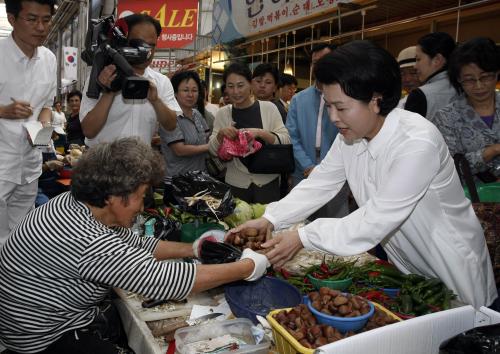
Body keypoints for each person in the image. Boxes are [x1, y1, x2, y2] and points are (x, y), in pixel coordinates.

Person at [231, 40, 497, 309]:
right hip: (408, 259)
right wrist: (271, 218)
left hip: (450, 258)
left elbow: (375, 219)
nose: (334, 117)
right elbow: (322, 182)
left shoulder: (417, 142)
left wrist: (303, 237)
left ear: (375, 100)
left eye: (341, 107)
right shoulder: (351, 135)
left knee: (465, 323)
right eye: (329, 106)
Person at [0, 137, 269, 353]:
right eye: (140, 197)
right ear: (114, 197)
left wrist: (193, 249)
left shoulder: (72, 203)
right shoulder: (89, 240)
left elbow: (136, 243)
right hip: (41, 338)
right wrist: (247, 266)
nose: (142, 207)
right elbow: (166, 281)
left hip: (39, 319)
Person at [0, 0, 57, 245]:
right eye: (32, 19)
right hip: (2, 158)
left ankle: (14, 278)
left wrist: (44, 128)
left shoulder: (49, 59)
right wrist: (3, 110)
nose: (41, 27)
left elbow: (46, 105)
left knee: (19, 232)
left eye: (46, 19)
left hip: (30, 161)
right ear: (12, 19)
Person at [80, 13, 180, 147]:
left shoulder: (161, 82)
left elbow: (171, 125)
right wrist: (109, 92)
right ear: (124, 42)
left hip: (140, 163)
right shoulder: (102, 77)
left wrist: (156, 101)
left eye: (152, 45)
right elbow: (89, 130)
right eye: (140, 44)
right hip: (101, 163)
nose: (147, 51)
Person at [208, 62, 290, 204]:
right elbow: (212, 150)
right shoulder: (223, 113)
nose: (235, 92)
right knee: (238, 224)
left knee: (266, 224)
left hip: (267, 183)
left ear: (250, 84)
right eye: (230, 86)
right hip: (236, 184)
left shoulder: (268, 108)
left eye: (240, 85)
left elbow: (286, 140)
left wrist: (260, 133)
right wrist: (220, 135)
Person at [285, 43, 349, 219]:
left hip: (335, 175)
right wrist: (308, 166)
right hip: (303, 173)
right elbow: (292, 136)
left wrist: (326, 170)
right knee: (301, 224)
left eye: (325, 60)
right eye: (315, 62)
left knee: (335, 226)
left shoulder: (346, 97)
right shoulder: (298, 99)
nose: (319, 66)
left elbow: (348, 137)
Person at [431, 37, 500, 181]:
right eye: (469, 80)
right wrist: (492, 151)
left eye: (486, 77)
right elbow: (447, 168)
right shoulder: (445, 118)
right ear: (458, 79)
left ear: (497, 74)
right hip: (473, 199)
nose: (479, 86)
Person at [160, 71, 210, 177]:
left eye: (194, 90)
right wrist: (210, 147)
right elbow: (179, 150)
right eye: (185, 90)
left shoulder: (197, 114)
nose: (190, 95)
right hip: (178, 181)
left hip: (200, 178)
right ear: (175, 93)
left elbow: (208, 137)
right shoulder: (170, 117)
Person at [404, 32, 457, 119]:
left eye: (418, 59)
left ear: (437, 60)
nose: (415, 66)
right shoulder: (463, 87)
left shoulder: (419, 95)